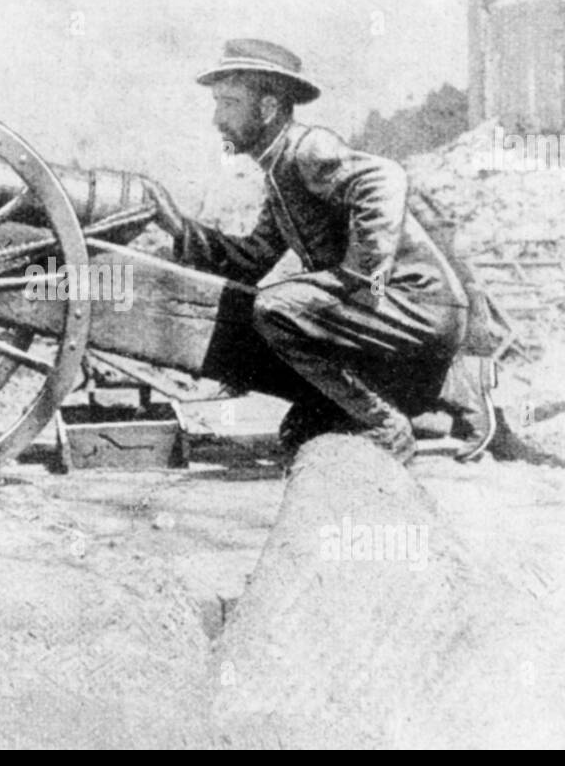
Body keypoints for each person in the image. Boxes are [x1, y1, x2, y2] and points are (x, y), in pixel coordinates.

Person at [145, 38, 495, 464]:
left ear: (269, 108)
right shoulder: (278, 171)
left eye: (229, 103)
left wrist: (361, 276)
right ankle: (449, 386)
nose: (217, 119)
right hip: (389, 311)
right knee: (301, 428)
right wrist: (175, 225)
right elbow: (252, 259)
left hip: (415, 303)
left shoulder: (308, 148)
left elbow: (384, 178)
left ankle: (384, 422)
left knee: (276, 309)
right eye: (218, 104)